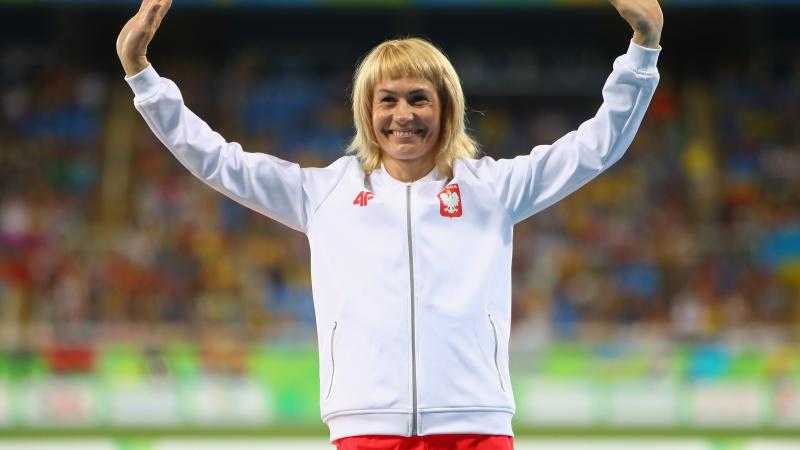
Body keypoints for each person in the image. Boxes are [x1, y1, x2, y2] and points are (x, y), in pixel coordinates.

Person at [116, 1, 663, 448]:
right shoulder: (323, 194)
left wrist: (643, 48)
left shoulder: (493, 189)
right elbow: (216, 159)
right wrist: (142, 75)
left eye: (419, 99)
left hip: (475, 425)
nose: (403, 114)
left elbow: (596, 148)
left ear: (445, 108)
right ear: (366, 112)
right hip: (364, 426)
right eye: (388, 100)